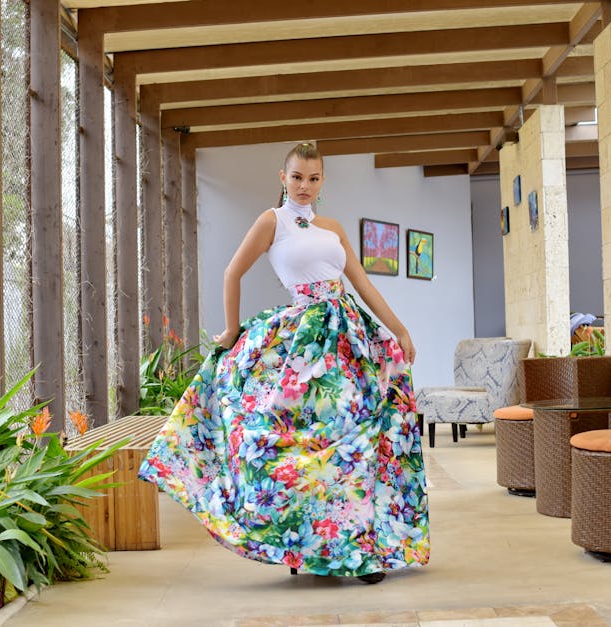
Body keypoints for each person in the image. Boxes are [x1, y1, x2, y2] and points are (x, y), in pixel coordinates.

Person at [138, 142, 430, 584]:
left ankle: (358, 550)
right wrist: (232, 330)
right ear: (283, 177)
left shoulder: (332, 227)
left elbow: (363, 284)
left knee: (353, 439)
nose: (305, 185)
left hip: (347, 336)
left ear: (322, 180)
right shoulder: (271, 221)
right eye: (297, 177)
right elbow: (232, 272)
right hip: (302, 341)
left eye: (313, 178)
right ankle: (300, 541)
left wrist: (399, 329)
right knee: (291, 442)